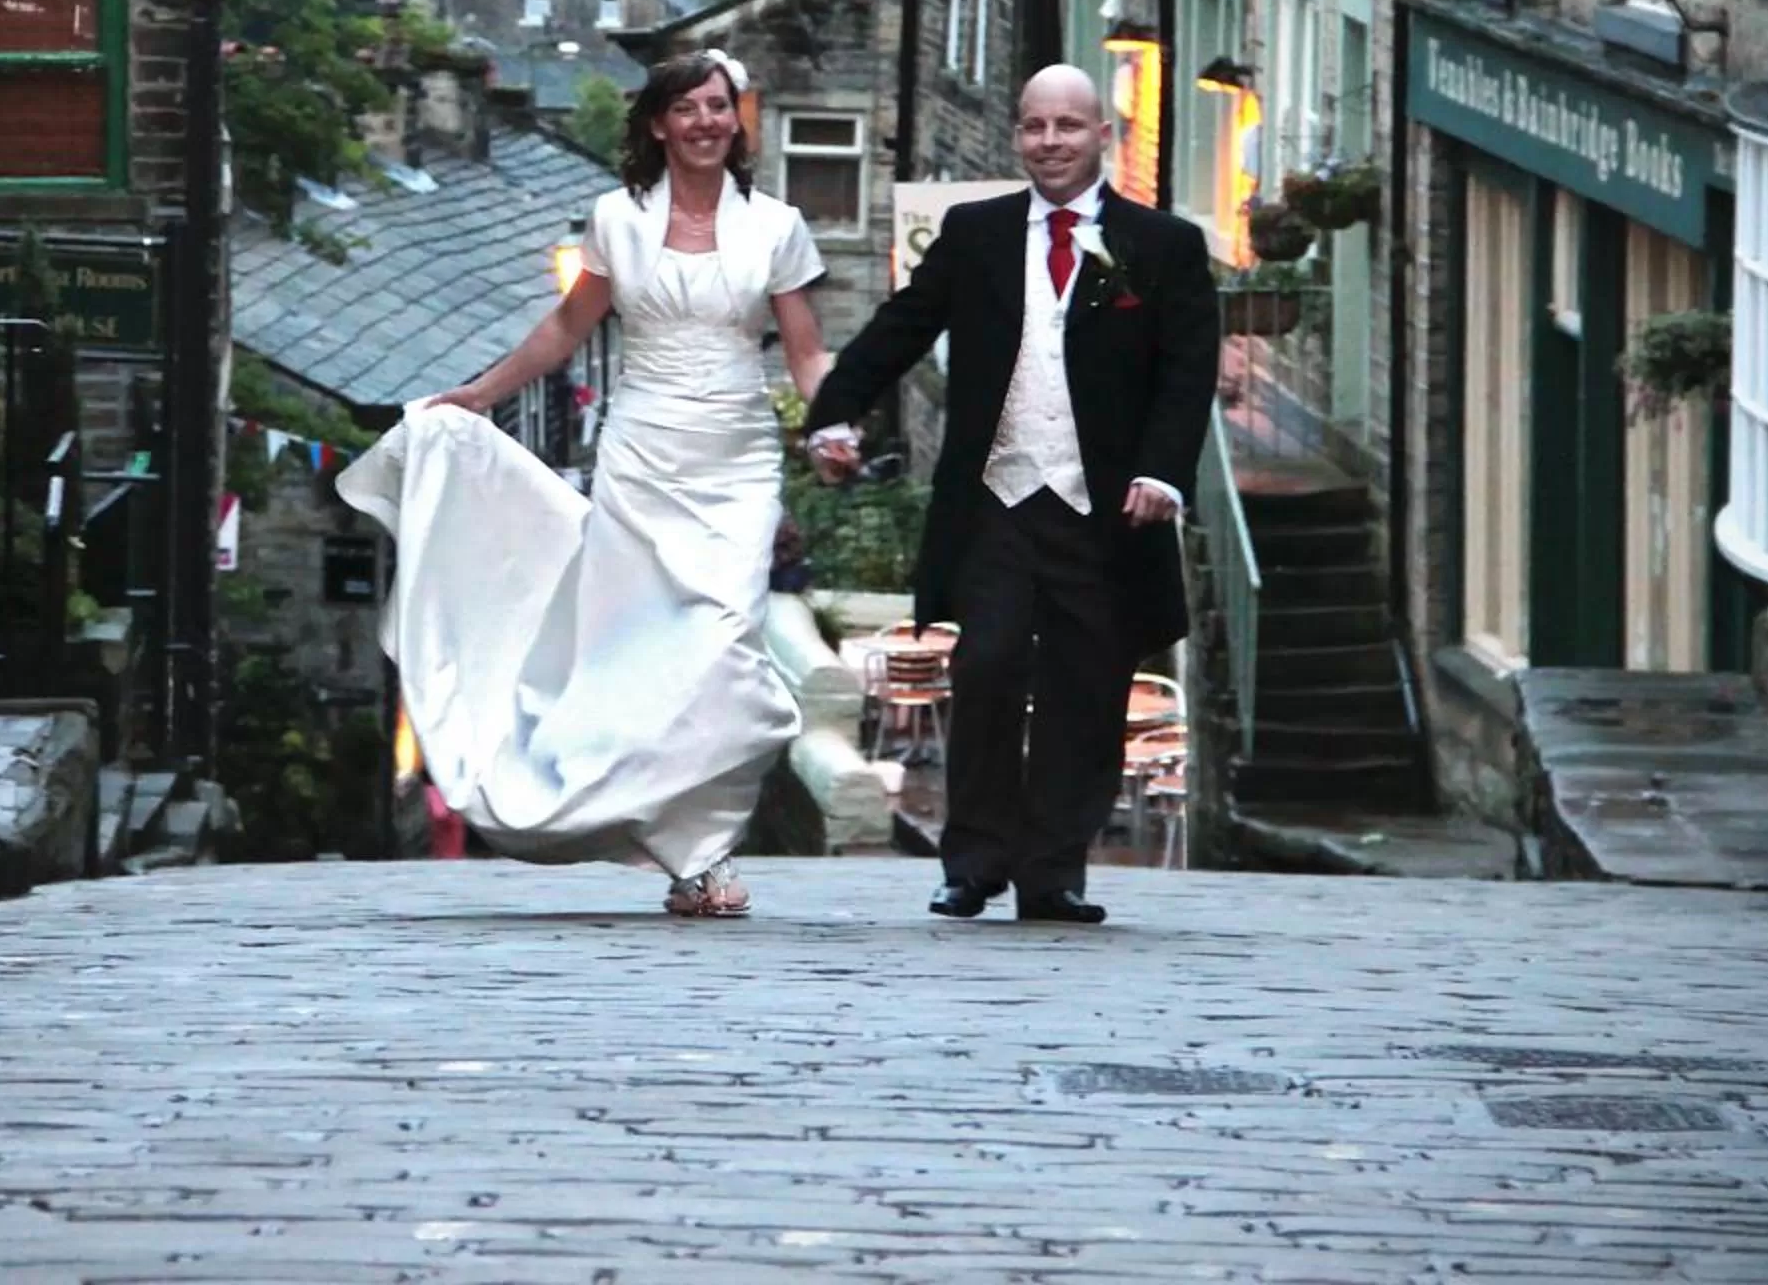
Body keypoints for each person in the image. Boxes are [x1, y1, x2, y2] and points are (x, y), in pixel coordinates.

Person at [335, 50, 834, 919]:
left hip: (737, 458)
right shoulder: (618, 220)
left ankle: (704, 838)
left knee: (724, 643)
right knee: (645, 650)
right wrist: (482, 395)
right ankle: (692, 858)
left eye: (720, 107)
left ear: (736, 120)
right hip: (643, 454)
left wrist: (837, 420)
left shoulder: (778, 227)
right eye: (688, 109)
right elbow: (567, 324)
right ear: (657, 124)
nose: (708, 122)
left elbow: (805, 353)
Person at [802, 65, 1218, 925]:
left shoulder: (1161, 245)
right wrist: (835, 412)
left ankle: (1054, 874)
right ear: (1018, 136)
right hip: (998, 495)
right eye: (1034, 126)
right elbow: (902, 327)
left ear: (1104, 135)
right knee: (985, 666)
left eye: (1069, 126)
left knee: (1087, 684)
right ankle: (974, 863)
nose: (1051, 142)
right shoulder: (976, 233)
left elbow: (1187, 371)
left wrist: (1163, 471)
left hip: (1104, 505)